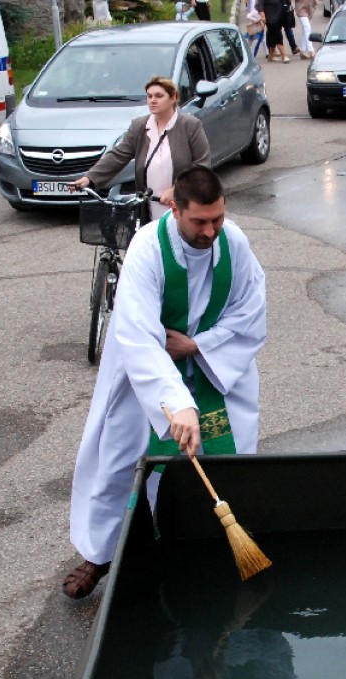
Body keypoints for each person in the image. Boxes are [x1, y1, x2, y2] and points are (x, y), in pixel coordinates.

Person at [64, 166, 268, 599]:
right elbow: (138, 333)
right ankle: (100, 555)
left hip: (213, 367)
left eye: (217, 218)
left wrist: (197, 346)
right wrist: (176, 403)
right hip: (149, 376)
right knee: (122, 460)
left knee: (227, 464)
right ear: (175, 209)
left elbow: (251, 310)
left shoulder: (234, 242)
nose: (210, 231)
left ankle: (218, 546)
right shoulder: (147, 248)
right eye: (200, 221)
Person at [70, 77, 211, 221]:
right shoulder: (140, 126)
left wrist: (177, 190)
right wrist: (90, 178)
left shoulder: (190, 125)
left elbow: (202, 165)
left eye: (159, 96)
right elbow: (118, 155)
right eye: (149, 96)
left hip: (183, 204)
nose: (152, 100)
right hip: (151, 204)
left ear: (173, 97)